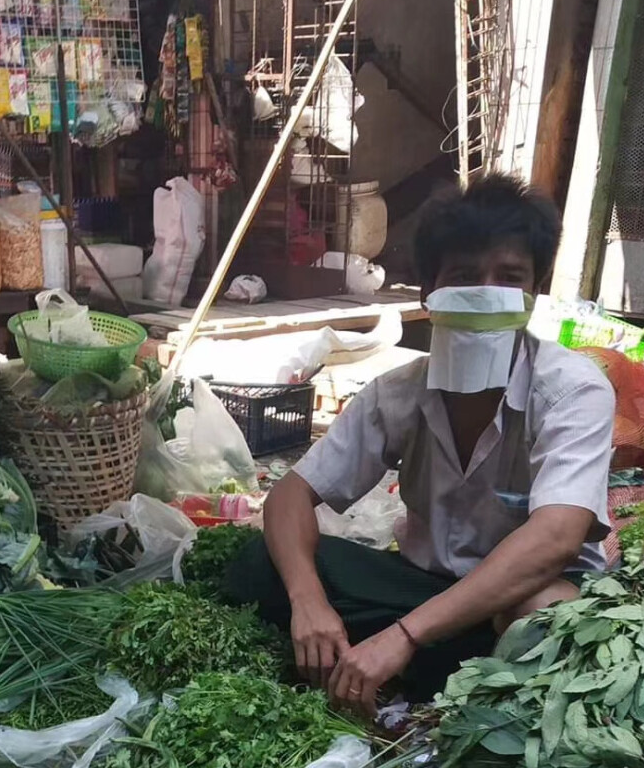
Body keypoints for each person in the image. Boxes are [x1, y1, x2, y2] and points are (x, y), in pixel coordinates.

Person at [225, 174, 616, 713]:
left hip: (525, 598)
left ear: (533, 293)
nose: (486, 294)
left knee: (545, 619)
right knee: (259, 566)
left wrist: (402, 637)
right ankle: (429, 671)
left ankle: (447, 692)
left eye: (509, 278)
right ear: (431, 294)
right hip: (425, 590)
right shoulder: (400, 392)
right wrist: (308, 601)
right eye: (464, 277)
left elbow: (556, 539)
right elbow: (291, 494)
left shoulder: (572, 389)